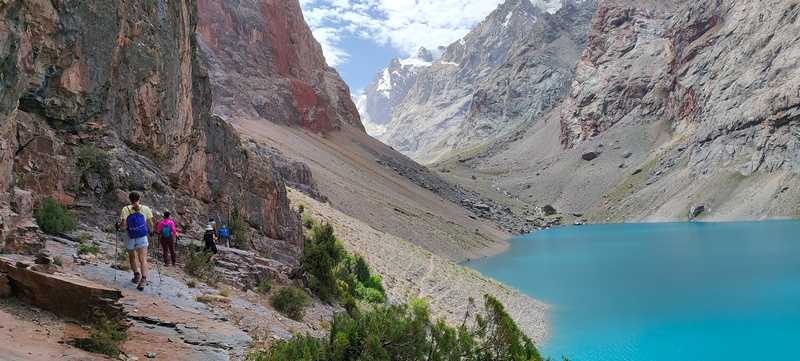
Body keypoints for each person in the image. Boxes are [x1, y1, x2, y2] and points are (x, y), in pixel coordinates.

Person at [118, 192, 154, 291]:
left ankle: (136, 275)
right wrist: (151, 231)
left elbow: (123, 226)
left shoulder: (125, 209)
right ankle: (143, 280)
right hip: (142, 236)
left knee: (132, 257)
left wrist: (118, 226)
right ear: (139, 198)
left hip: (130, 236)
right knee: (143, 259)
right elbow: (150, 223)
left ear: (129, 199)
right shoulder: (146, 209)